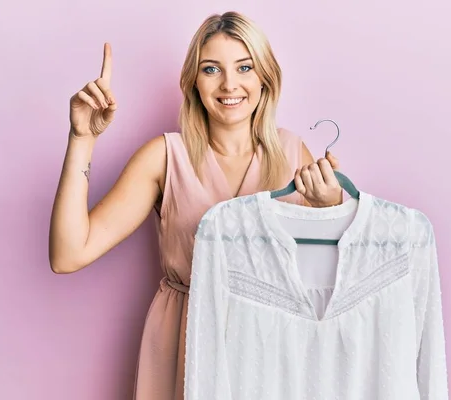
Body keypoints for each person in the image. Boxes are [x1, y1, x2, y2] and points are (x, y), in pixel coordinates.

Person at [49, 11, 344, 400]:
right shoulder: (164, 157)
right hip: (185, 343)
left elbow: (336, 282)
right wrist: (82, 138)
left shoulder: (294, 154)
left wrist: (332, 209)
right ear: (193, 82)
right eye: (211, 69)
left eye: (244, 67)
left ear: (264, 78)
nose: (230, 84)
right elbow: (68, 254)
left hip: (273, 346)